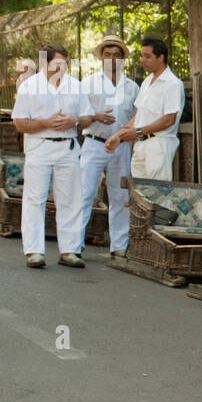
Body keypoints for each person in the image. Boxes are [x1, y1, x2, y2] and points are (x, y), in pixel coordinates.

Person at [11, 45, 87, 269]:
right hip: (39, 146)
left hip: (68, 146)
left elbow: (88, 117)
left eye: (65, 63)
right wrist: (46, 122)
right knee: (35, 198)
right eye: (57, 63)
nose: (62, 67)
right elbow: (20, 123)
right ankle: (34, 251)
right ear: (45, 63)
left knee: (70, 198)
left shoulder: (76, 85)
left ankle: (70, 250)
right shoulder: (29, 86)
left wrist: (74, 121)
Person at [77, 35, 138, 258]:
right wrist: (95, 116)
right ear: (101, 57)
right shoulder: (88, 84)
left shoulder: (132, 87)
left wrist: (126, 137)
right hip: (94, 143)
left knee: (120, 195)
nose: (112, 58)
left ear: (122, 59)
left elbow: (138, 116)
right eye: (107, 54)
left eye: (116, 55)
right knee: (84, 193)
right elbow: (78, 117)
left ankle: (119, 246)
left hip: (121, 146)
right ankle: (74, 245)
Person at [106, 37, 183, 180]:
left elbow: (169, 119)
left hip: (159, 145)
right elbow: (139, 115)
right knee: (139, 190)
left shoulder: (173, 84)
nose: (143, 60)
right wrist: (118, 136)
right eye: (142, 56)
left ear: (161, 57)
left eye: (148, 56)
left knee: (157, 190)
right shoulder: (147, 82)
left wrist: (138, 131)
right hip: (141, 145)